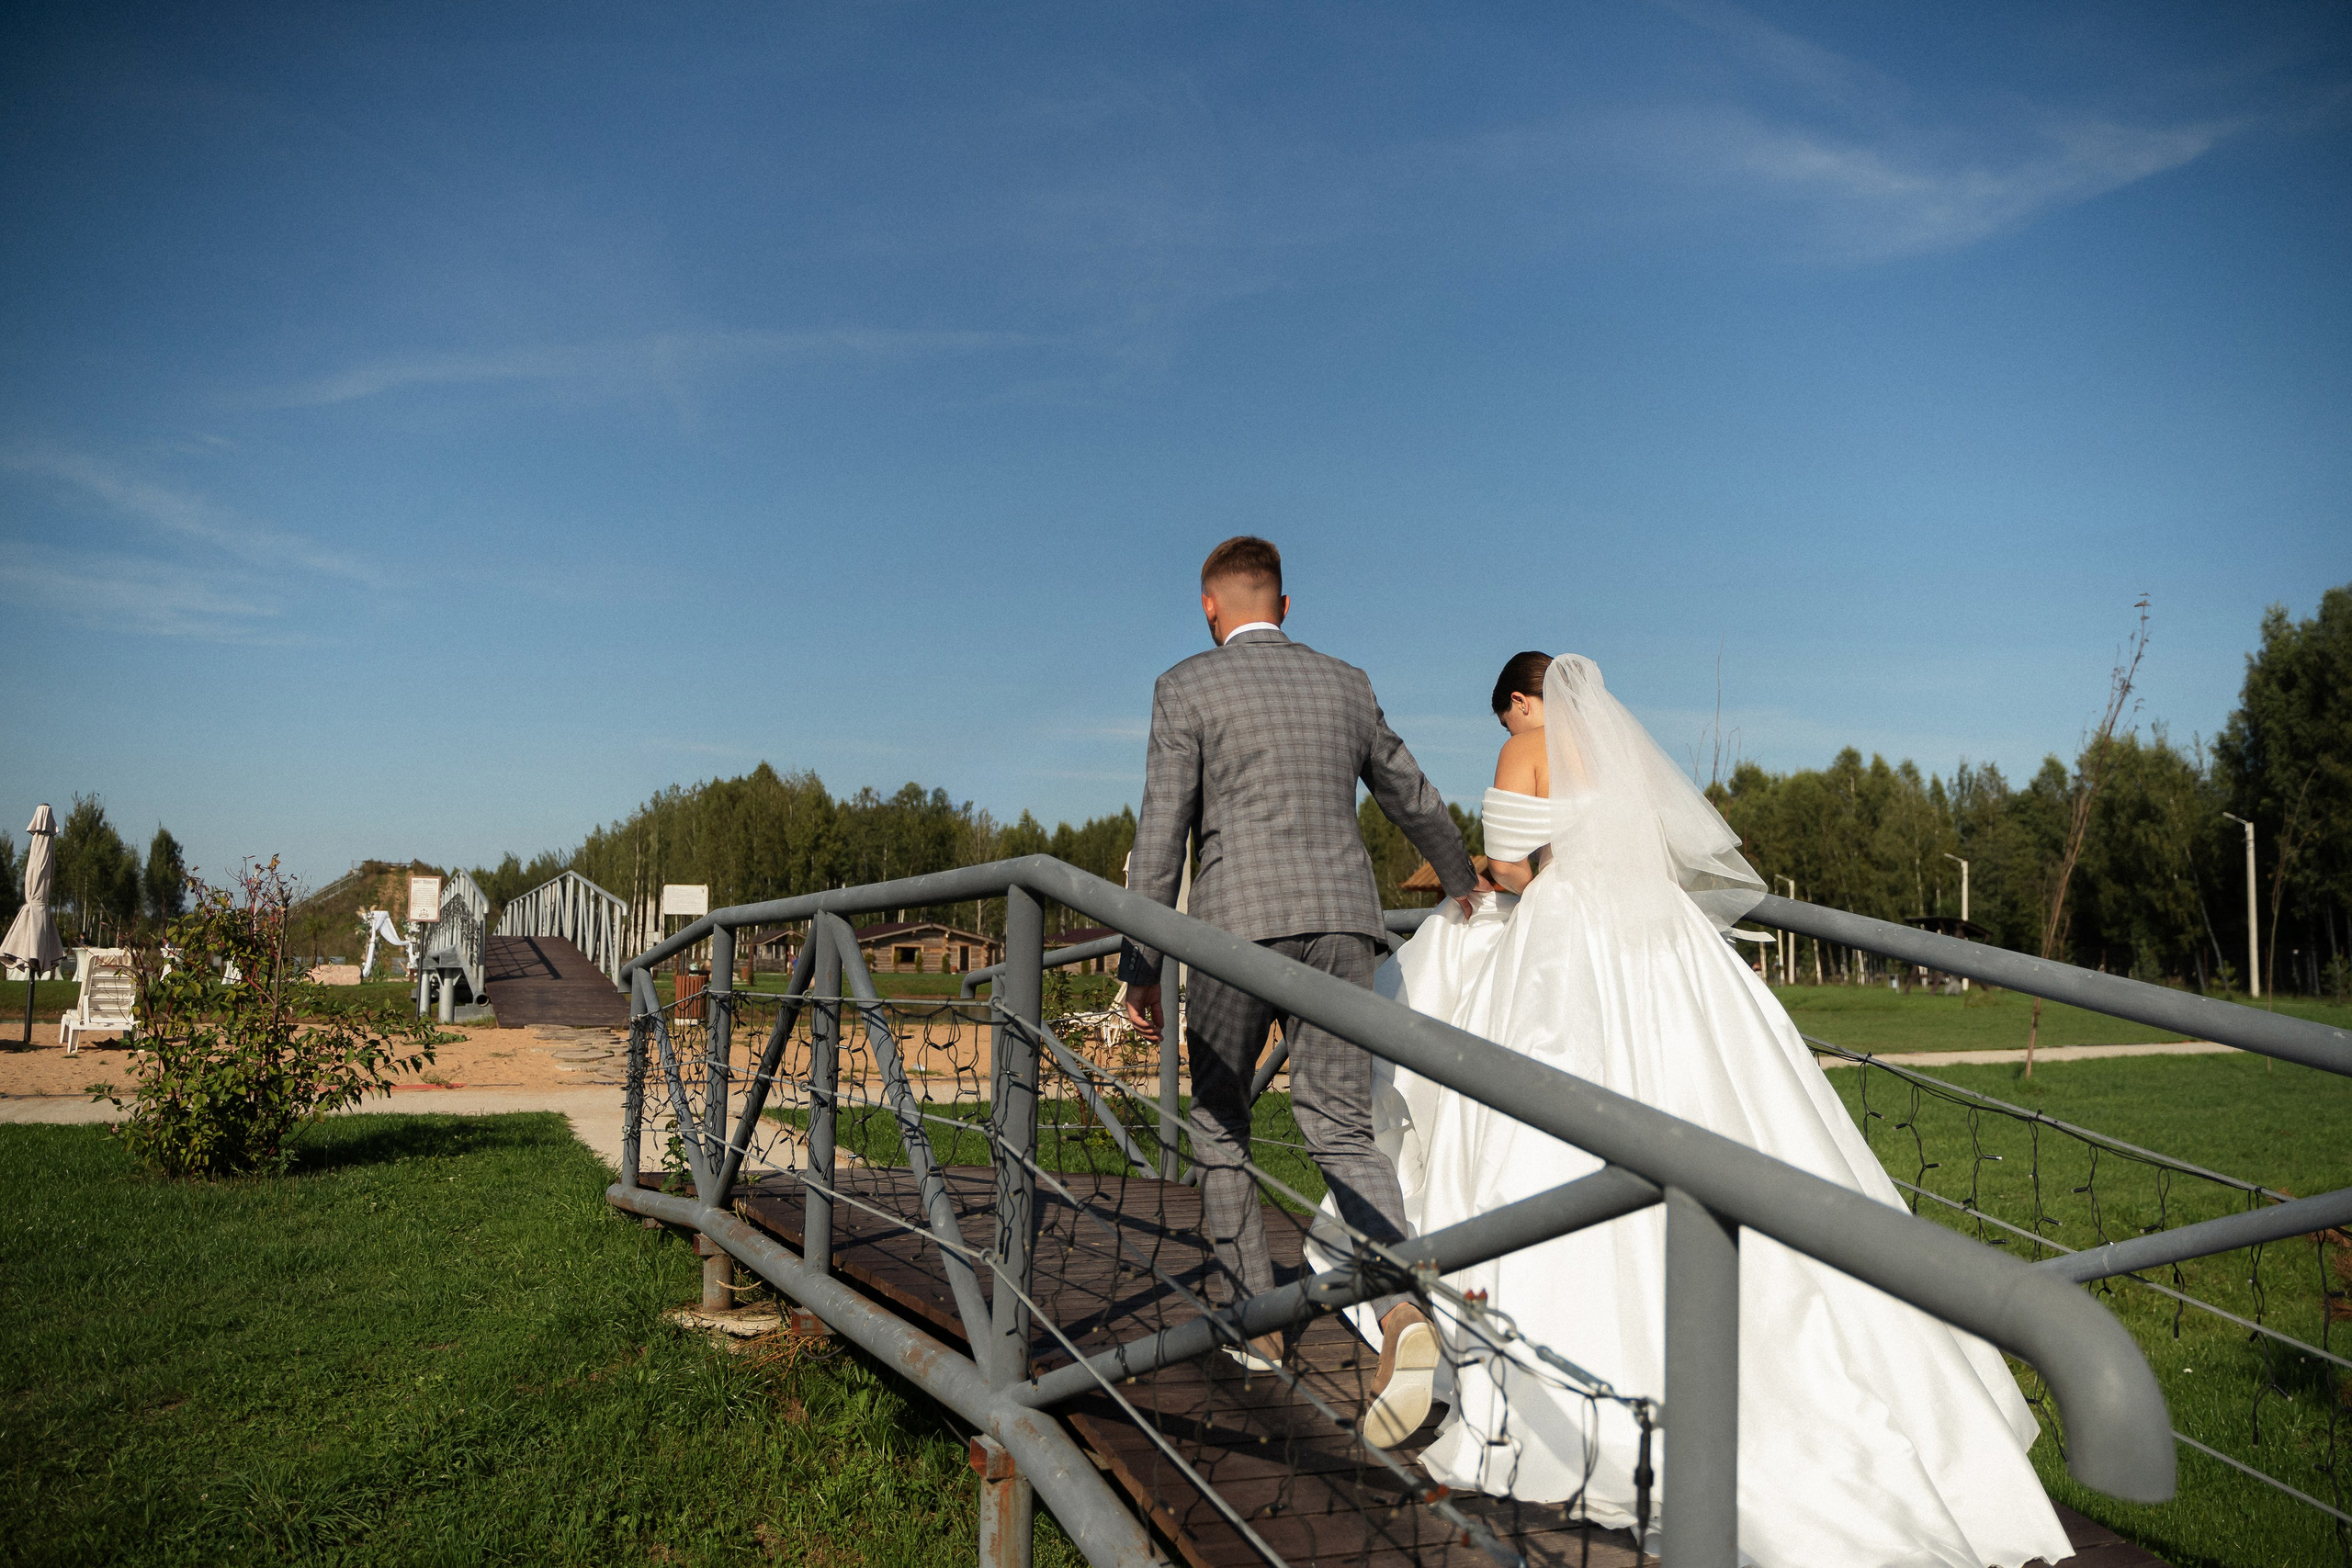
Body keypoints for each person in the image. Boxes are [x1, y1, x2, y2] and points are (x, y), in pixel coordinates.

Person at [1361, 651, 2074, 1568]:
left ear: (1522, 701)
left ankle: (1546, 1367)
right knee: (1730, 1110)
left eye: (1509, 716)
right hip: (1661, 939)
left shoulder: (1524, 748)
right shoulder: (1614, 769)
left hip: (1567, 943)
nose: (1511, 732)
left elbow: (1503, 869)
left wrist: (1466, 888)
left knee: (1545, 1126)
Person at [1119, 535, 1479, 1448]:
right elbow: (1410, 792)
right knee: (1340, 1123)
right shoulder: (1346, 682)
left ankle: (1258, 1324)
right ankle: (1403, 1313)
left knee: (1219, 1120)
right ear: (1284, 603)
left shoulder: (1185, 686)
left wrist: (1140, 961)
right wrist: (1456, 877)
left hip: (1234, 930)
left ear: (1210, 606)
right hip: (1341, 923)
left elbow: (1161, 833)